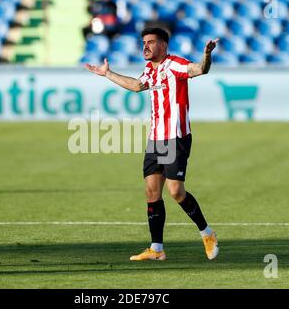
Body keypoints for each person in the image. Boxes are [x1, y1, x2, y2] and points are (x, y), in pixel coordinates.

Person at [85, 27, 219, 261]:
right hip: (155, 138)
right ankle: (156, 249)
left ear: (164, 46)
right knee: (151, 192)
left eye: (151, 42)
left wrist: (206, 54)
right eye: (143, 42)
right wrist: (108, 74)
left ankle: (207, 234)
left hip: (175, 137)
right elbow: (137, 86)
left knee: (176, 191)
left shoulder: (175, 64)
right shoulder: (149, 70)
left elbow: (199, 69)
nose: (145, 46)